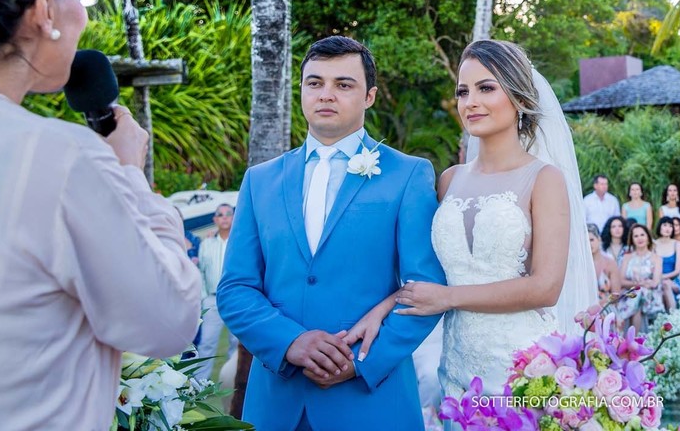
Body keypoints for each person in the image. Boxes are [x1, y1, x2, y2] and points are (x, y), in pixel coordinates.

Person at [0, 0, 201, 431]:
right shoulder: (61, 158)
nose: (83, 13)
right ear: (45, 7)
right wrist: (130, 179)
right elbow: (170, 321)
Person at [217, 36, 446, 431]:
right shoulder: (260, 181)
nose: (326, 94)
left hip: (371, 402)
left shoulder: (408, 174)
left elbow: (425, 285)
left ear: (369, 96)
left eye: (343, 84)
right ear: (301, 90)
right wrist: (290, 342)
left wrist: (359, 362)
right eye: (315, 82)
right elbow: (235, 288)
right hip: (277, 401)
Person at [345, 40, 593, 399]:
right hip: (457, 370)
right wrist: (383, 308)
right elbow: (434, 277)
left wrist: (448, 298)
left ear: (520, 99)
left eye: (486, 88)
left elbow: (545, 288)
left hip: (522, 371)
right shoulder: (449, 179)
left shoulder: (544, 178)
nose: (470, 102)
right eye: (463, 92)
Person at [196, 204, 237, 376]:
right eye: (220, 214)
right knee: (206, 343)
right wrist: (204, 298)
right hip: (213, 300)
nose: (225, 217)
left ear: (234, 217)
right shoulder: (207, 243)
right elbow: (201, 272)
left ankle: (234, 382)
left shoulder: (240, 241)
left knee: (238, 344)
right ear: (215, 219)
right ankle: (199, 385)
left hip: (236, 298)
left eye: (228, 214)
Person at [616, 224, 662, 332]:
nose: (639, 238)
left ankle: (622, 319)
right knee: (637, 298)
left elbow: (655, 282)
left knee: (639, 294)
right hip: (628, 293)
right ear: (632, 239)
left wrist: (640, 286)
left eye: (642, 235)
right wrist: (637, 285)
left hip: (650, 295)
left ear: (648, 237)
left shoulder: (656, 258)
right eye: (636, 236)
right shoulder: (627, 257)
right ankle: (634, 340)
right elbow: (621, 281)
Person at [653, 217, 680, 311]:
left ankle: (673, 318)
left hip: (674, 280)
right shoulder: (653, 244)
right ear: (660, 227)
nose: (668, 228)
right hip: (657, 280)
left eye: (670, 226)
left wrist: (662, 277)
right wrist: (659, 279)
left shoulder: (677, 244)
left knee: (666, 284)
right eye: (665, 225)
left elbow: (677, 271)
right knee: (663, 287)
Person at [588, 224, 620, 305]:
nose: (589, 244)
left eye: (591, 240)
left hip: (606, 306)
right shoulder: (579, 266)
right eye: (585, 241)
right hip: (585, 308)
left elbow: (616, 295)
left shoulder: (610, 262)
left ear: (599, 239)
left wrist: (600, 303)